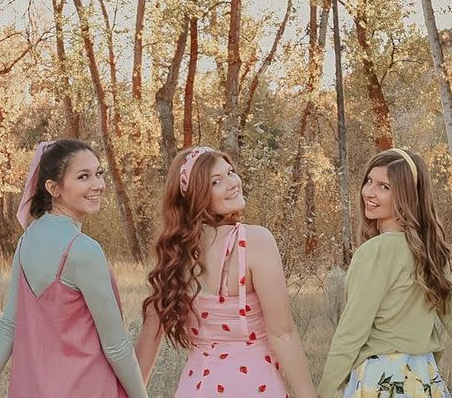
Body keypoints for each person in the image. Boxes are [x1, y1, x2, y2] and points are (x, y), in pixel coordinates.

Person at [0, 140, 148, 398]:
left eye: (98, 173)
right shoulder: (83, 250)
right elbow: (116, 346)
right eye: (83, 177)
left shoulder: (27, 240)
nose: (98, 185)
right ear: (54, 188)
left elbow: (9, 324)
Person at [135, 146, 318, 398]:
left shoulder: (174, 256)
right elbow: (282, 333)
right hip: (254, 387)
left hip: (195, 389)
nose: (233, 183)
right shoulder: (254, 241)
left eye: (230, 172)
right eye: (216, 181)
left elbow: (150, 335)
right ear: (197, 196)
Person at [318, 148, 452, 398]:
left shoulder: (376, 251)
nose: (369, 192)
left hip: (381, 380)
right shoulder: (432, 252)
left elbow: (351, 332)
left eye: (384, 187)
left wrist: (323, 391)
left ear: (406, 196)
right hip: (424, 378)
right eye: (369, 181)